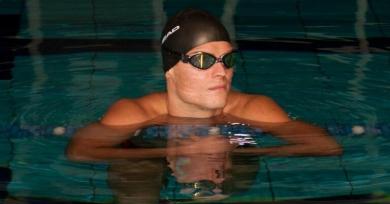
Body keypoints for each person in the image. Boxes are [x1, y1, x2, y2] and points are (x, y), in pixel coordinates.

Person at [67, 8, 342, 162]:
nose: (221, 71)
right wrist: (172, 152)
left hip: (230, 157)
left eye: (228, 59)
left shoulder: (253, 107)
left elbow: (326, 146)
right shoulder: (135, 113)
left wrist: (247, 150)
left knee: (242, 171)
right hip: (149, 157)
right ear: (170, 70)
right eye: (203, 60)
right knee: (135, 193)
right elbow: (80, 151)